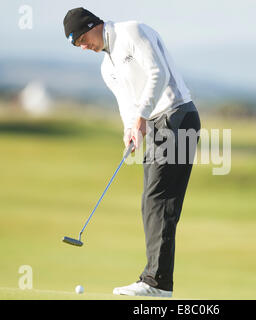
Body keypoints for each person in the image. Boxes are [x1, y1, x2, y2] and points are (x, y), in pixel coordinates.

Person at [63, 7, 201, 297]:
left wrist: (141, 116)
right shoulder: (106, 67)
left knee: (159, 200)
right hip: (156, 125)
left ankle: (157, 283)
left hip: (178, 118)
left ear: (93, 25)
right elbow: (127, 102)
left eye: (83, 39)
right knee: (152, 203)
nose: (84, 47)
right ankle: (156, 280)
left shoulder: (132, 31)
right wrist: (130, 128)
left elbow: (158, 73)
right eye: (78, 46)